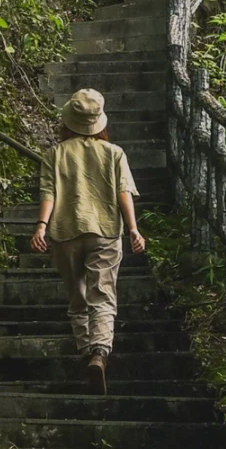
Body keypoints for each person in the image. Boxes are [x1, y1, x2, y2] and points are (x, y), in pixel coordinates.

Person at [31, 87, 146, 394]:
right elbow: (124, 193)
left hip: (65, 231)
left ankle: (85, 351)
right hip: (106, 230)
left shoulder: (54, 155)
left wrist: (41, 226)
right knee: (103, 295)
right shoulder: (114, 153)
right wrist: (133, 229)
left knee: (77, 297)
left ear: (67, 121)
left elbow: (48, 193)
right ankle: (100, 353)